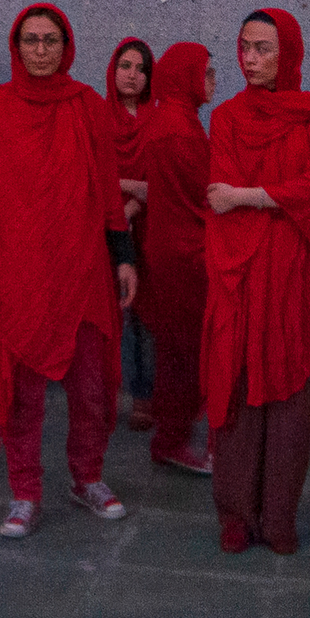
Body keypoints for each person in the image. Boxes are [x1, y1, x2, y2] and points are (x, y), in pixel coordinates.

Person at [0, 3, 138, 539]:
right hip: (18, 274)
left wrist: (124, 256)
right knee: (24, 394)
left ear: (67, 46)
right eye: (30, 40)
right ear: (15, 47)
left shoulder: (87, 105)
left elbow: (109, 190)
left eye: (50, 40)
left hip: (82, 271)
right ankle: (24, 492)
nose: (40, 50)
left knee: (90, 387)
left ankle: (87, 478)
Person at [203, 9, 310, 555]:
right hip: (239, 271)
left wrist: (248, 197)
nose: (251, 59)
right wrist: (264, 200)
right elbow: (217, 190)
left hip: (293, 269)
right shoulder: (227, 117)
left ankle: (280, 513)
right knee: (237, 384)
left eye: (264, 49)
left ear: (288, 54)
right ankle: (236, 514)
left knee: (290, 392)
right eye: (244, 47)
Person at [134, 41, 215, 475]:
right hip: (186, 254)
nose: (213, 81)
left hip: (174, 248)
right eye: (206, 72)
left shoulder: (173, 119)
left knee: (177, 352)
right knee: (186, 353)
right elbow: (205, 191)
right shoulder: (178, 128)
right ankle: (174, 439)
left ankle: (172, 437)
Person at [107, 38, 157, 432]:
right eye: (125, 65)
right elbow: (89, 174)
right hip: (103, 228)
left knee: (144, 318)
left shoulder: (156, 121)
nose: (132, 75)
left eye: (140, 69)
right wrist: (128, 190)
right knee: (107, 315)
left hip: (148, 229)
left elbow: (163, 182)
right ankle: (104, 393)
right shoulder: (97, 118)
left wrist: (133, 201)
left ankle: (144, 395)